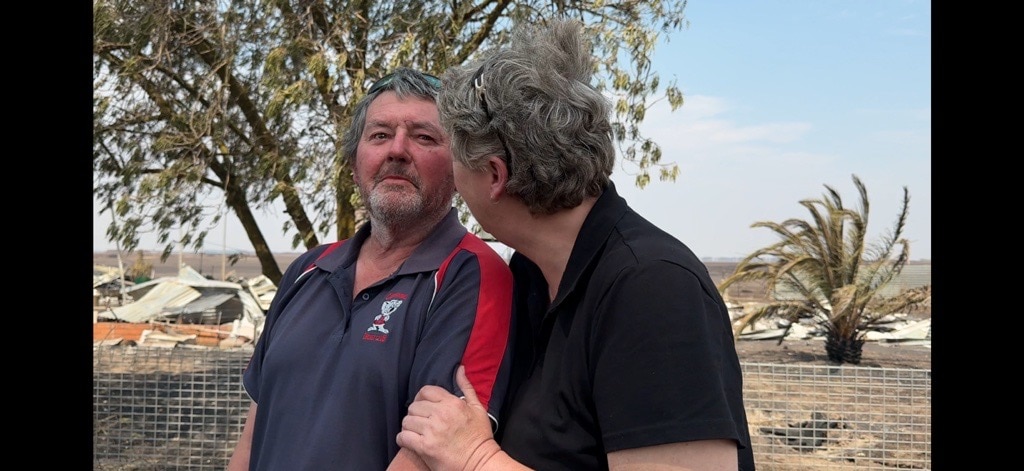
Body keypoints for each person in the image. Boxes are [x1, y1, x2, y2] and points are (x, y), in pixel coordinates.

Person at [393, 19, 756, 470]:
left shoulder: (651, 289)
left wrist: (476, 458)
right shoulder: (532, 274)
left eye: (453, 158)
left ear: (495, 176)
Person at [227, 68, 515, 470]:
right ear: (353, 163)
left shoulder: (472, 275)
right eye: (380, 135)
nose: (397, 150)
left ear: (458, 169)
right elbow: (254, 432)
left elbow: (431, 454)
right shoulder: (306, 270)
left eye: (424, 137)